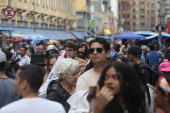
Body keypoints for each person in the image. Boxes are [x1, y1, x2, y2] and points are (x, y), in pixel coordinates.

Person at [0, 65, 65, 113]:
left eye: (16, 78)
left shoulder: (7, 110)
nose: (14, 82)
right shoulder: (57, 108)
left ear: (24, 84)